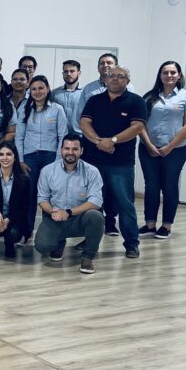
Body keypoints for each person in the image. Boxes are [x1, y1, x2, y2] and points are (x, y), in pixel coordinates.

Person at [80, 66, 147, 258]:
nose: (115, 79)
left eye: (120, 76)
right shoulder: (94, 100)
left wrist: (113, 141)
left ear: (127, 81)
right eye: (111, 76)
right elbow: (84, 123)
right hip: (93, 161)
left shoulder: (136, 101)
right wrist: (99, 142)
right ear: (106, 79)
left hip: (121, 163)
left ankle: (131, 244)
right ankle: (90, 241)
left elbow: (137, 127)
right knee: (92, 204)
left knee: (125, 204)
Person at [138, 61, 186, 239]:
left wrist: (169, 147)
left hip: (175, 150)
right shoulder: (149, 96)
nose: (169, 75)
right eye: (165, 72)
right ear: (160, 75)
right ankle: (150, 224)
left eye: (173, 72)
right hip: (148, 148)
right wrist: (149, 145)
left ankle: (166, 225)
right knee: (151, 186)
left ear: (179, 75)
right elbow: (140, 123)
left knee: (169, 186)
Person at [34, 134, 105, 274]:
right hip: (55, 218)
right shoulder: (47, 171)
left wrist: (68, 212)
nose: (70, 152)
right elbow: (42, 199)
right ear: (61, 150)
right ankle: (59, 243)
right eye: (67, 148)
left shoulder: (92, 172)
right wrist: (53, 212)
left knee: (96, 217)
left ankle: (88, 257)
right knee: (42, 246)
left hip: (80, 218)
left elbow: (96, 201)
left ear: (81, 151)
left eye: (75, 149)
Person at [16, 75, 67, 241]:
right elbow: (19, 137)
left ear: (47, 89)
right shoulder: (25, 108)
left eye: (40, 88)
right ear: (29, 91)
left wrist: (58, 162)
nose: (37, 92)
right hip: (30, 158)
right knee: (29, 196)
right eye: (34, 89)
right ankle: (27, 233)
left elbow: (62, 137)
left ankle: (51, 234)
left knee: (50, 197)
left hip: (50, 157)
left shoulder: (57, 109)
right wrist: (21, 160)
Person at [74, 53, 136, 134]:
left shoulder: (127, 86)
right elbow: (80, 115)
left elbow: (131, 113)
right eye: (102, 63)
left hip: (120, 136)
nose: (105, 65)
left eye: (109, 63)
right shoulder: (89, 88)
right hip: (93, 136)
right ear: (98, 68)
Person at [50, 60, 83, 135]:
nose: (68, 74)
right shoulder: (54, 93)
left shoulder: (85, 93)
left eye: (72, 71)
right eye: (66, 71)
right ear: (63, 73)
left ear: (79, 73)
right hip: (59, 135)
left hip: (79, 136)